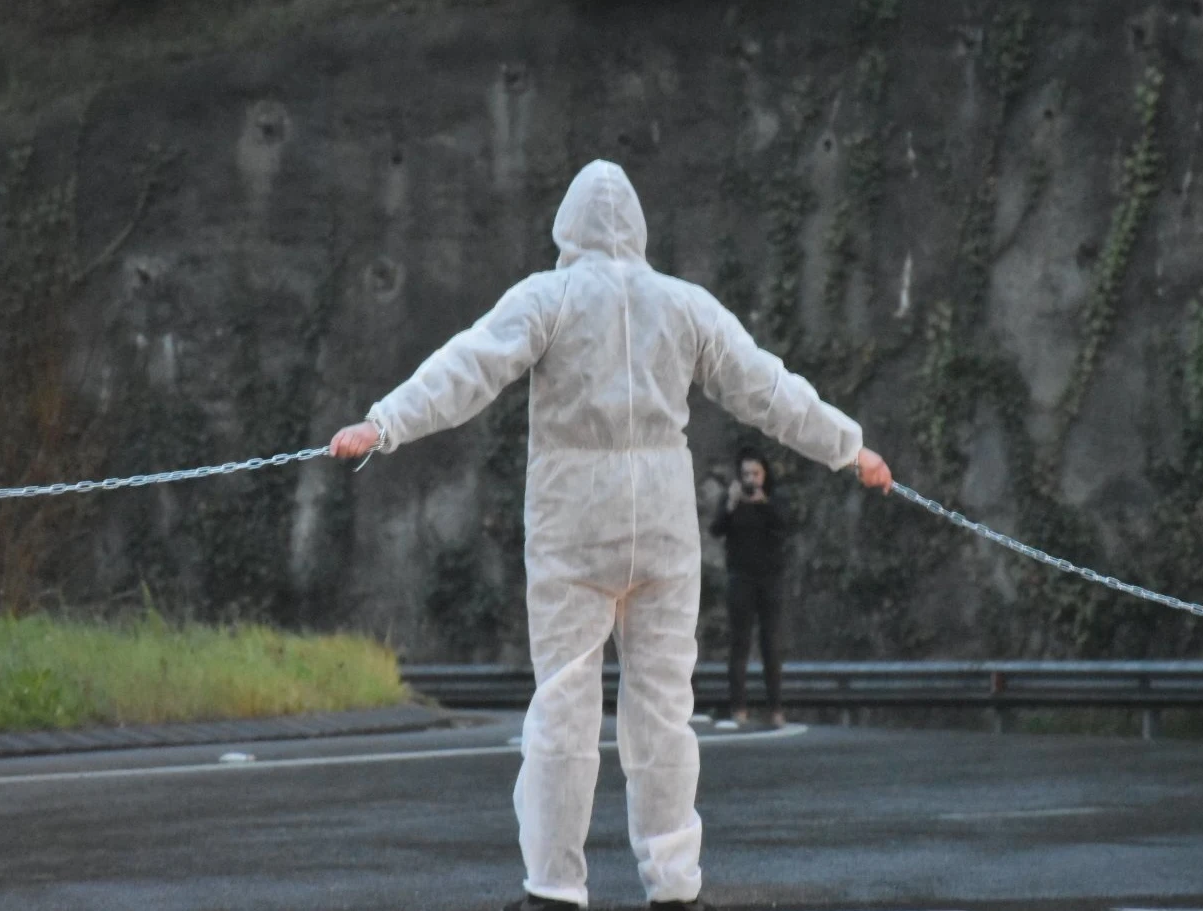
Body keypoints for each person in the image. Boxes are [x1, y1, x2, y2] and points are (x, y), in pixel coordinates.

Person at [328, 160, 893, 911]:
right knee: (664, 710)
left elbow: (467, 366)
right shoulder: (684, 305)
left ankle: (555, 889)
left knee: (563, 702)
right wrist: (852, 448)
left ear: (568, 228)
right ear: (639, 228)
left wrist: (383, 423)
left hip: (573, 526)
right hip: (662, 530)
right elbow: (770, 387)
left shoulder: (550, 296)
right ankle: (676, 886)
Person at [709, 450, 788, 729]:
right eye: (746, 475)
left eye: (756, 474)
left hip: (770, 580)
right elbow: (715, 529)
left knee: (771, 644)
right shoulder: (733, 501)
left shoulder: (775, 499)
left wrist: (763, 503)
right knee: (739, 643)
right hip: (740, 578)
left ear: (764, 475)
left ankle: (776, 709)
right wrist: (731, 504)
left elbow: (784, 526)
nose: (751, 480)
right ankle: (738, 708)